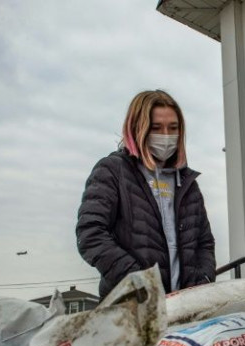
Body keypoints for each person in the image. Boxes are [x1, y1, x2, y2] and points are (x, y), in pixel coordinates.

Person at [76, 89, 216, 299]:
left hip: (186, 307)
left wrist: (203, 280)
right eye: (157, 127)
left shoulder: (187, 183)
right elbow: (90, 234)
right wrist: (137, 283)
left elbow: (204, 242)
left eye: (173, 128)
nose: (166, 135)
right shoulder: (112, 171)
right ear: (137, 128)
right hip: (131, 309)